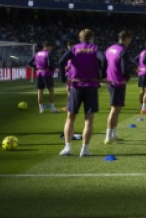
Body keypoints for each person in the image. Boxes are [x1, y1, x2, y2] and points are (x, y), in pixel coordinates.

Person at [57, 29, 105, 157]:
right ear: (92, 37)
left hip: (76, 86)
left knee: (70, 118)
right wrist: (102, 74)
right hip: (91, 86)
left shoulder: (74, 48)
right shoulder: (95, 48)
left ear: (80, 38)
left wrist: (63, 79)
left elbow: (61, 61)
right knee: (88, 121)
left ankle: (67, 148)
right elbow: (104, 59)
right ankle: (84, 150)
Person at [104, 30, 133, 145]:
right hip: (118, 83)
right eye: (129, 39)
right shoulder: (123, 51)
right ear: (126, 38)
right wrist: (127, 78)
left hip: (110, 81)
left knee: (117, 109)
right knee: (114, 110)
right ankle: (108, 136)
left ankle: (114, 134)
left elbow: (104, 63)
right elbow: (125, 69)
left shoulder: (109, 49)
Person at [32, 41, 60, 113]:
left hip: (39, 73)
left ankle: (41, 109)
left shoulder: (37, 53)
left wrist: (37, 68)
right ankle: (52, 108)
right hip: (46, 73)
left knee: (40, 91)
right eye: (51, 47)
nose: (51, 49)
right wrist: (53, 69)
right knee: (51, 90)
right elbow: (50, 64)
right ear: (48, 47)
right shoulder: (48, 53)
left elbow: (29, 62)